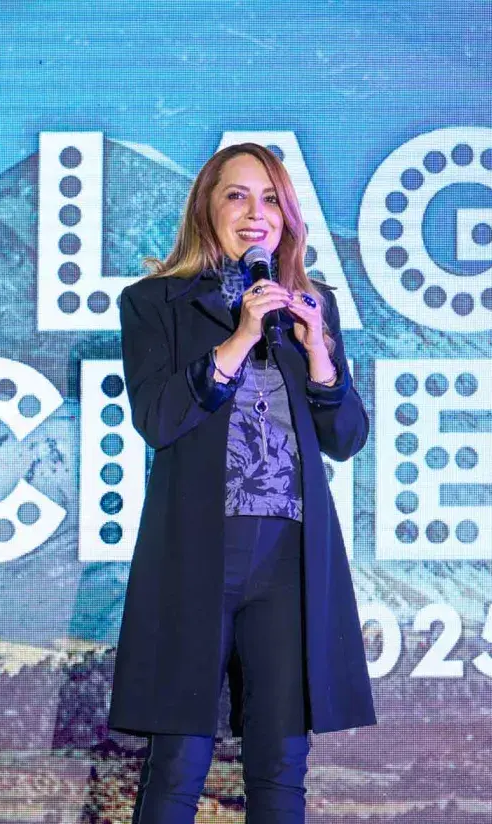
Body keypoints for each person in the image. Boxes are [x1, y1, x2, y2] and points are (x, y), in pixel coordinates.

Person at [107, 142, 376, 823]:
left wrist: (320, 354)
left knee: (282, 766)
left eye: (271, 200)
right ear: (208, 207)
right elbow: (158, 419)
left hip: (288, 560)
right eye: (237, 195)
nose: (256, 214)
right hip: (197, 553)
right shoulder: (154, 303)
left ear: (287, 218)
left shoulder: (312, 305)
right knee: (178, 763)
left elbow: (345, 438)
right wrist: (239, 336)